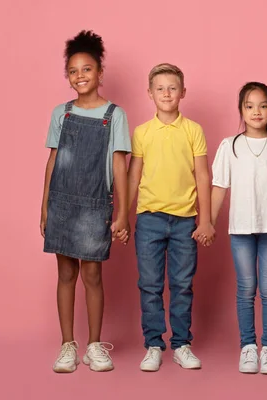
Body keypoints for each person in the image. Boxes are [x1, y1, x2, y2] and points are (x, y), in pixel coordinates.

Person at [41, 30, 131, 373]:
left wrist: (121, 213)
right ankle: (68, 346)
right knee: (65, 274)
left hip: (95, 205)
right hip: (61, 203)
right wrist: (44, 206)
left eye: (87, 69)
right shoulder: (61, 114)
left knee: (92, 274)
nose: (80, 76)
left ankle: (95, 345)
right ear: (68, 77)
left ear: (100, 73)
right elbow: (52, 162)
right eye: (74, 71)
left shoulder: (114, 115)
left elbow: (118, 165)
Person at [127, 63, 214, 372]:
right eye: (160, 88)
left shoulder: (193, 130)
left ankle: (181, 344)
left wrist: (205, 220)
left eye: (172, 88)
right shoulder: (141, 132)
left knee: (182, 284)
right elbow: (133, 176)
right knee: (149, 285)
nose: (166, 93)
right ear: (150, 93)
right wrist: (123, 216)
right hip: (149, 219)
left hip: (184, 221)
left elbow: (203, 176)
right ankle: (153, 344)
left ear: (183, 93)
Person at [211, 82, 267, 374]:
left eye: (262, 105)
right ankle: (248, 347)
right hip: (240, 230)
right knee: (246, 288)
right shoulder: (230, 145)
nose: (256, 111)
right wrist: (208, 222)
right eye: (249, 106)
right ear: (241, 110)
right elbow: (219, 187)